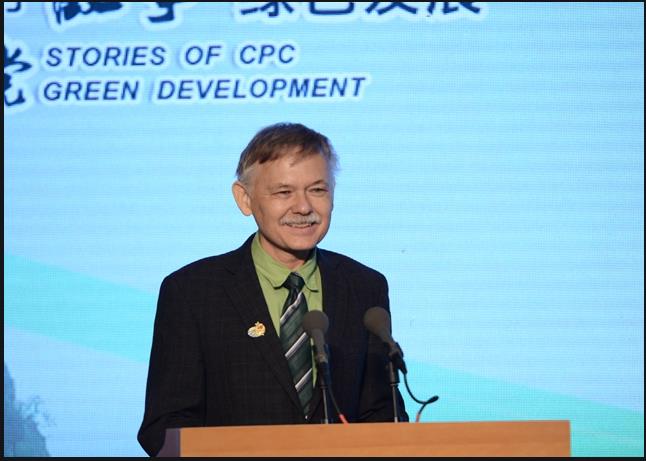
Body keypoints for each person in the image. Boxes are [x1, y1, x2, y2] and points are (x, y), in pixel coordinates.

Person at [137, 122, 408, 456]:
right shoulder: (192, 292)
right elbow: (165, 426)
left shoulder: (364, 286)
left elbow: (381, 414)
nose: (303, 207)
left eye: (317, 190)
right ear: (245, 199)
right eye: (283, 192)